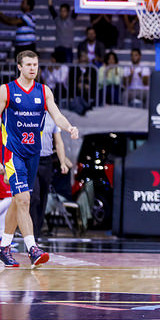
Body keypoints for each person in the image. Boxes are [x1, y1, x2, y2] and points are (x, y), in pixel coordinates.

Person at [0, 50, 79, 268]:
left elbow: (57, 115)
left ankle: (4, 247)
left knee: (19, 201)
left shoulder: (44, 91)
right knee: (24, 199)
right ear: (19, 67)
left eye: (35, 64)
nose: (33, 68)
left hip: (33, 154)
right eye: (28, 65)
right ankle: (32, 248)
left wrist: (69, 127)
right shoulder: (6, 91)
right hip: (12, 152)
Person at [29, 112, 70, 240]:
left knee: (42, 198)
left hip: (46, 161)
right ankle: (31, 235)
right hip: (31, 158)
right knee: (33, 197)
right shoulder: (29, 114)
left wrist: (62, 162)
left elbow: (58, 143)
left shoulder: (52, 118)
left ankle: (37, 232)